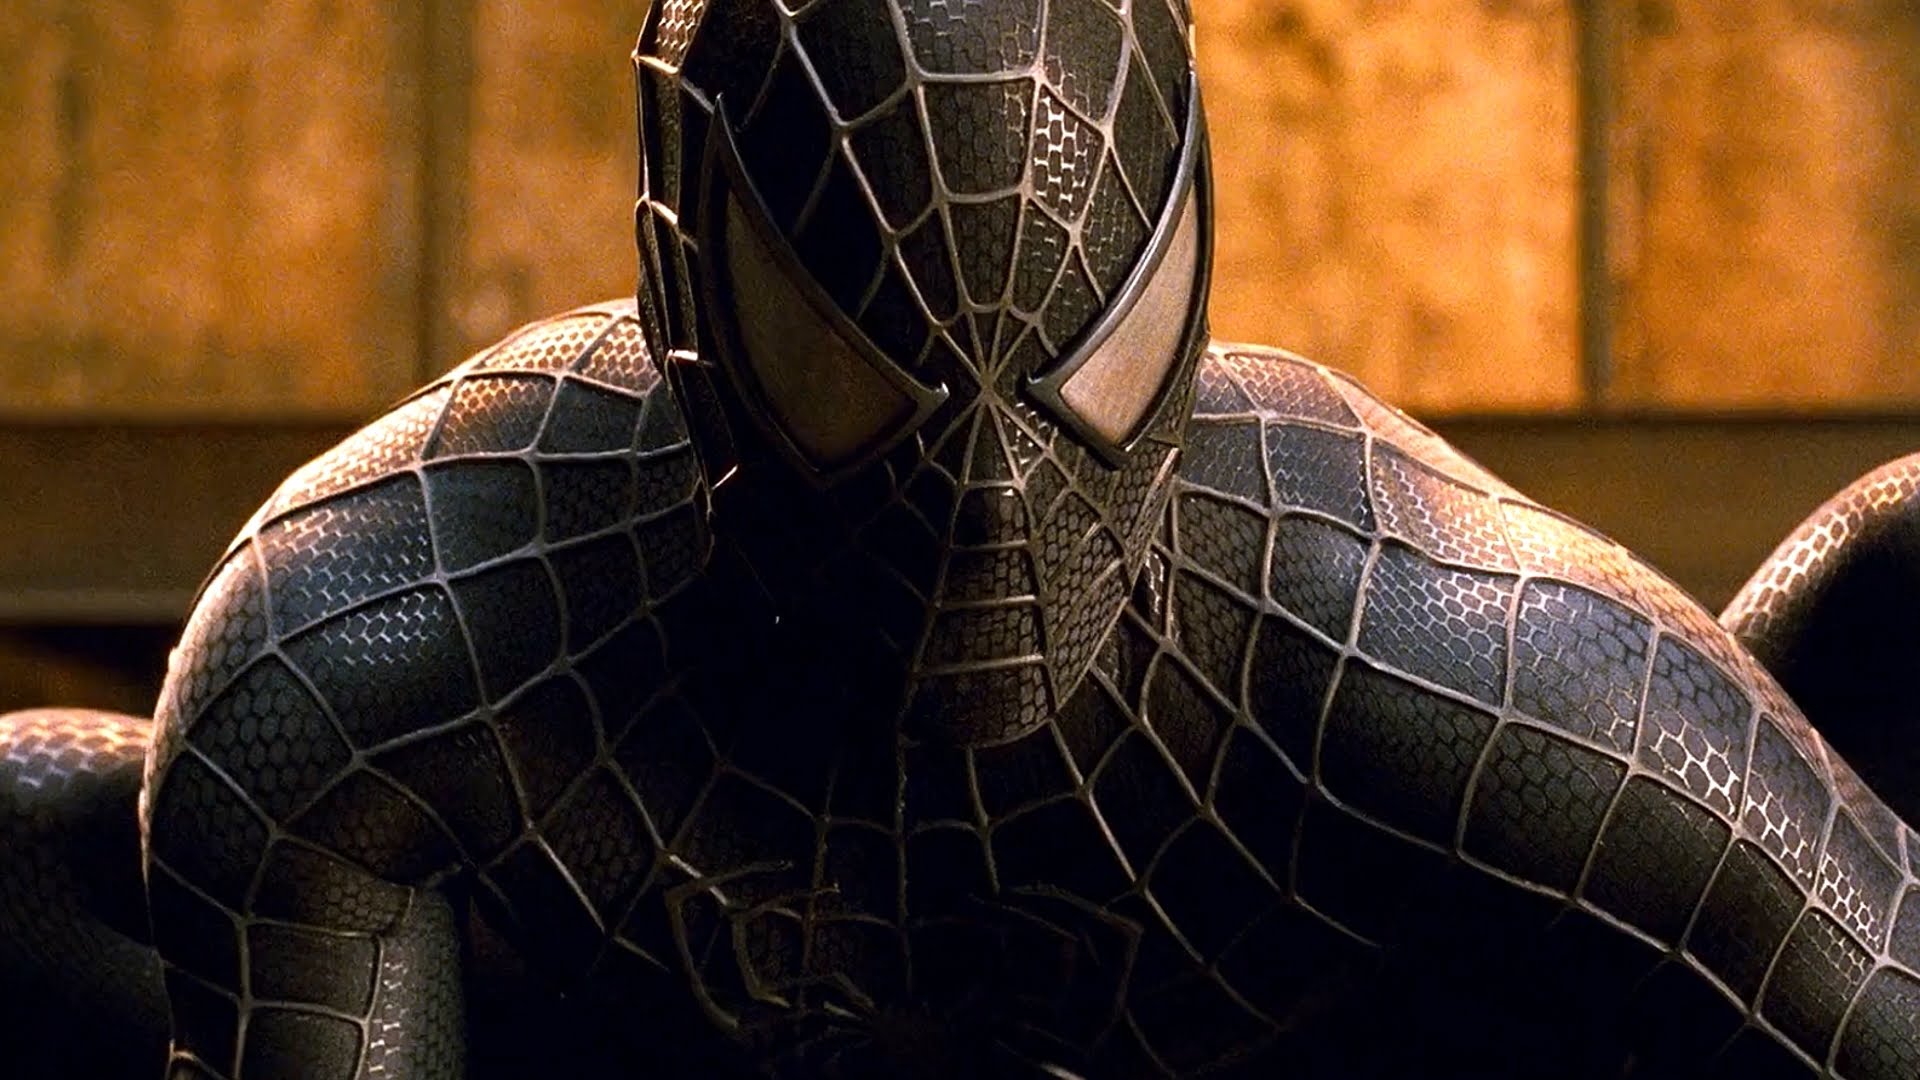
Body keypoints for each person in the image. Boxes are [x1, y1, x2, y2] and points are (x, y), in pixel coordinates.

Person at [7, 1, 1919, 1075]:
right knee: (38, 838)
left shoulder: (1436, 636)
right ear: (694, 288)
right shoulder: (386, 638)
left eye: (1072, 376)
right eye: (871, 387)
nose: (993, 500)